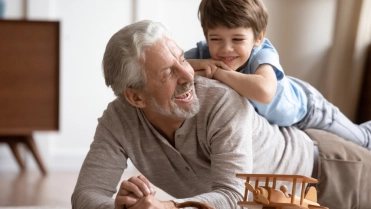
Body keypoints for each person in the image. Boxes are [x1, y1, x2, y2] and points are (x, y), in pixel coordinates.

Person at [71, 20, 371, 209]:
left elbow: (231, 194)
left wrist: (169, 207)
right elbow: (86, 193)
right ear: (135, 97)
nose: (188, 73)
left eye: (181, 59)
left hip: (332, 172)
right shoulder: (117, 120)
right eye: (168, 72)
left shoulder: (221, 102)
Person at [185, 0, 371, 150]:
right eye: (216, 39)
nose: (226, 48)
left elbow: (264, 92)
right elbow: (170, 66)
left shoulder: (263, 52)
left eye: (237, 39)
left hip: (309, 110)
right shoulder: (204, 54)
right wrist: (200, 64)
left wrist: (217, 72)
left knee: (362, 141)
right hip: (284, 125)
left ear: (258, 37)